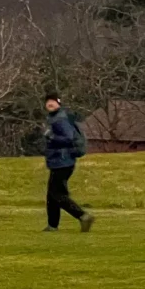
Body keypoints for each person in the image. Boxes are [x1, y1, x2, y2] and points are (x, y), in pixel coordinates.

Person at [44, 92, 94, 233]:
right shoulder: (57, 117)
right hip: (60, 161)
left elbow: (68, 138)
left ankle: (83, 216)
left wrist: (51, 136)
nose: (50, 104)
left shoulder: (60, 119)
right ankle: (52, 225)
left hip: (63, 161)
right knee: (52, 194)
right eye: (48, 102)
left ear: (58, 103)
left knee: (57, 194)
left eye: (53, 102)